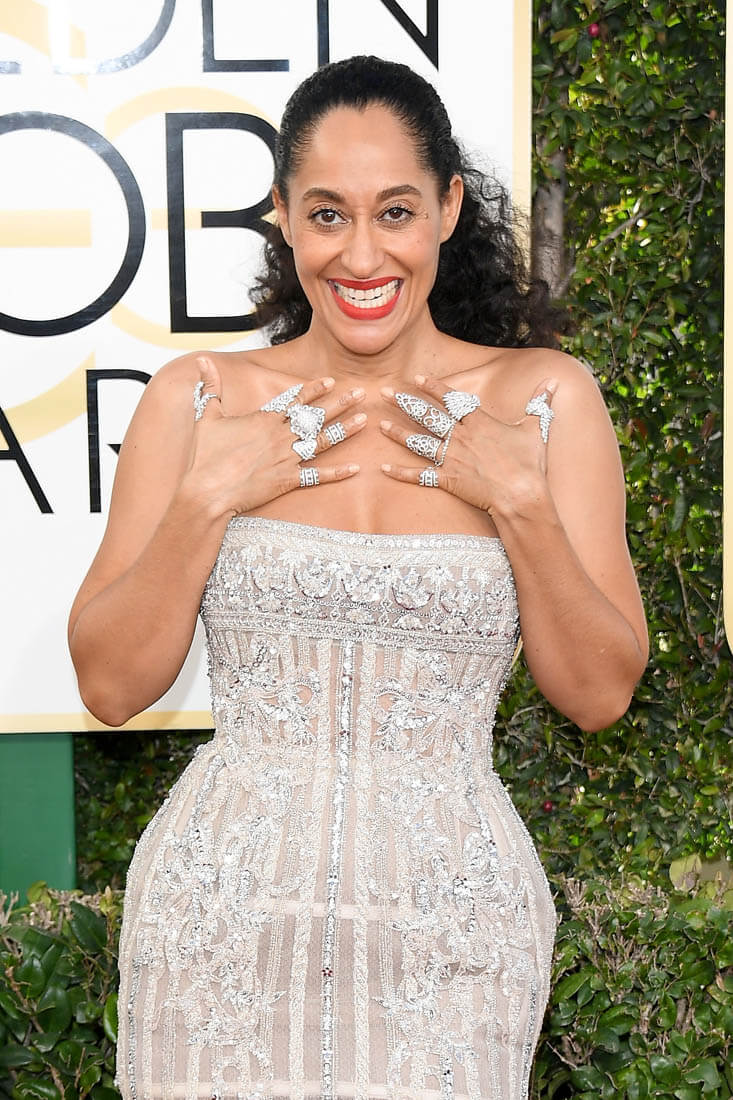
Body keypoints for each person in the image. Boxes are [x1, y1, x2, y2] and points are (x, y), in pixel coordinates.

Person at [68, 54, 647, 1100]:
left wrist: (518, 501)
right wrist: (207, 498)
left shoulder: (544, 400)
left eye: (395, 211)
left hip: (452, 944)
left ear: (447, 208)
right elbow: (111, 684)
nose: (362, 252)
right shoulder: (199, 399)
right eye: (328, 214)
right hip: (218, 934)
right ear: (284, 217)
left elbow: (599, 691)